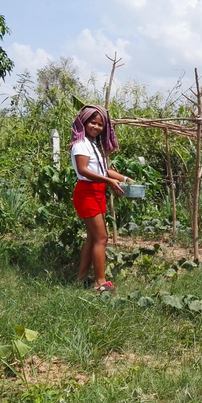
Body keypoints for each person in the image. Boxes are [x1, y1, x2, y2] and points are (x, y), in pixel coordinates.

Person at [70, 105, 132, 292]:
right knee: (101, 238)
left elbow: (102, 170)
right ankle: (100, 283)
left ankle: (81, 278)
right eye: (92, 122)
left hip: (97, 191)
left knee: (93, 237)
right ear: (83, 121)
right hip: (87, 192)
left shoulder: (94, 145)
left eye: (100, 124)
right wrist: (109, 181)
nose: (96, 127)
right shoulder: (80, 144)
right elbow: (83, 170)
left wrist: (124, 179)